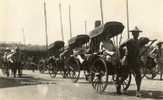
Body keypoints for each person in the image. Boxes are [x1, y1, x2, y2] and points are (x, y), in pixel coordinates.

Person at [119, 26, 143, 97]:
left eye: (138, 33)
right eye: (135, 33)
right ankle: (118, 84)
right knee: (125, 76)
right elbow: (120, 46)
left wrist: (139, 59)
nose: (137, 34)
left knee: (138, 75)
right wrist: (122, 56)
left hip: (135, 60)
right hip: (128, 60)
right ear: (132, 34)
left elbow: (138, 51)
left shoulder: (138, 42)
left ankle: (138, 91)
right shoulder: (129, 41)